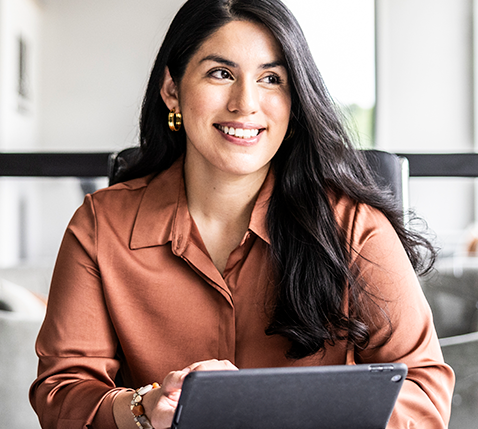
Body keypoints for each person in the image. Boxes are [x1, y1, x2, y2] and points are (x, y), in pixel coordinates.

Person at [30, 1, 454, 428]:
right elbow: (62, 392)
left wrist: (279, 409)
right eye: (221, 73)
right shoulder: (101, 225)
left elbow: (425, 395)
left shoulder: (354, 228)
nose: (245, 103)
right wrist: (145, 406)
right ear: (172, 89)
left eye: (271, 79)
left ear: (295, 100)